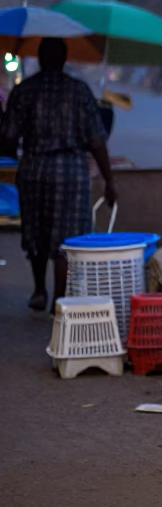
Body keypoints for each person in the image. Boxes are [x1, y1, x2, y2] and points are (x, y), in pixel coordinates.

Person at [0, 39, 117, 311]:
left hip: (34, 169)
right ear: (64, 60)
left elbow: (7, 139)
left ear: (39, 59)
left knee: (36, 232)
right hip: (71, 174)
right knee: (67, 239)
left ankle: (39, 290)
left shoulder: (24, 91)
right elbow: (97, 140)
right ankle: (59, 300)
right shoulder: (80, 91)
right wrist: (110, 181)